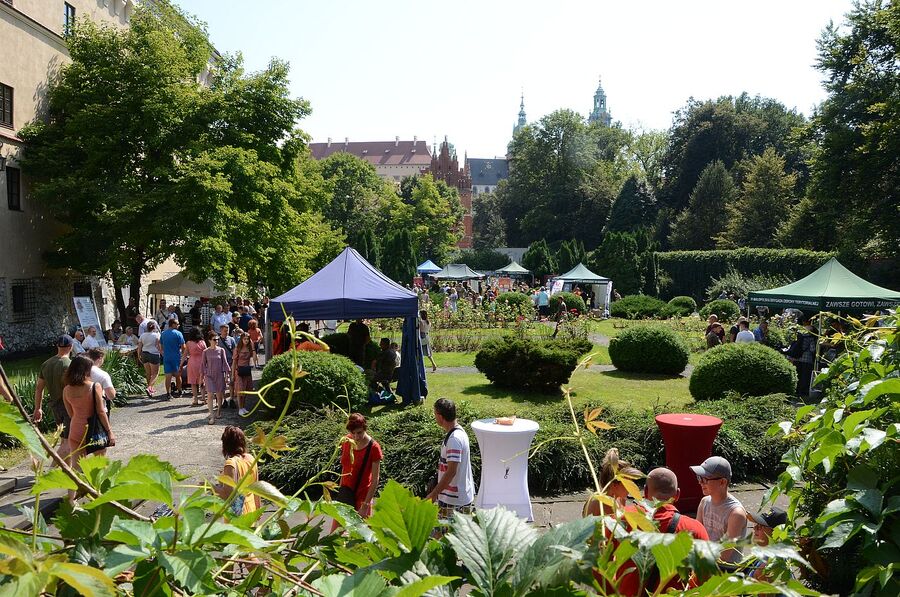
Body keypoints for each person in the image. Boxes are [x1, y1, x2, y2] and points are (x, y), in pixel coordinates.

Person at [63, 355, 116, 501]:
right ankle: (102, 494)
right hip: (94, 429)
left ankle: (70, 500)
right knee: (100, 463)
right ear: (86, 371)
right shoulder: (94, 386)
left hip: (76, 427)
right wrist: (109, 431)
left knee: (76, 466)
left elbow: (70, 413)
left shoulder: (67, 389)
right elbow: (100, 411)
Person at [426, 398, 475, 520]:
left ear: (440, 416)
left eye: (435, 414)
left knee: (447, 536)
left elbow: (451, 471)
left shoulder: (454, 439)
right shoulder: (459, 433)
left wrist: (433, 494)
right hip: (455, 498)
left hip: (453, 501)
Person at [691, 456, 747, 562]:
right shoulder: (704, 502)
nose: (700, 482)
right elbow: (696, 536)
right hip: (704, 561)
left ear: (722, 482)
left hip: (726, 570)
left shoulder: (735, 513)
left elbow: (724, 556)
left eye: (705, 479)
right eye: (699, 477)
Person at [34, 336, 74, 463]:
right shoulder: (69, 364)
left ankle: (67, 469)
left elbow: (39, 389)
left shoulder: (46, 364)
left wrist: (38, 408)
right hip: (68, 406)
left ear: (57, 346)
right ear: (71, 347)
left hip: (55, 406)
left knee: (63, 438)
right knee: (68, 441)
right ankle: (53, 470)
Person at [338, 413, 383, 518]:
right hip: (346, 493)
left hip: (363, 496)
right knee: (336, 532)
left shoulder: (374, 447)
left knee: (361, 532)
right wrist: (340, 491)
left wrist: (365, 505)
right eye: (353, 433)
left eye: (359, 433)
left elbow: (375, 480)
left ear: (365, 428)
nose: (356, 437)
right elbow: (344, 467)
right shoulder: (346, 441)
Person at [583, 448, 644, 516]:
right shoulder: (604, 503)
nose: (631, 486)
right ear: (614, 485)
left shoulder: (620, 498)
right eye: (627, 482)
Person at [214, 426, 260, 515]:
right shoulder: (251, 458)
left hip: (238, 515)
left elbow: (228, 496)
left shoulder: (230, 464)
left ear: (226, 444)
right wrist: (258, 510)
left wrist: (209, 487)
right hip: (252, 510)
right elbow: (256, 486)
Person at [747, 507, 789, 581]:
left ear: (775, 532)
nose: (754, 528)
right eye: (756, 524)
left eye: (760, 526)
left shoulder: (766, 568)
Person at [202, 332, 230, 425]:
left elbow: (225, 364)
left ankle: (218, 411)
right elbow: (203, 365)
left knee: (219, 395)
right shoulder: (205, 351)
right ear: (209, 340)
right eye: (214, 339)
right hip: (209, 375)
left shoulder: (221, 350)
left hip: (219, 375)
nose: (216, 341)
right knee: (210, 394)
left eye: (217, 339)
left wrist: (227, 376)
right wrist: (202, 377)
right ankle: (212, 415)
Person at [160, 319, 186, 399]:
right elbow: (183, 346)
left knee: (168, 376)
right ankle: (179, 391)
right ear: (173, 324)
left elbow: (161, 345)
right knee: (178, 375)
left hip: (167, 357)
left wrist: (163, 353)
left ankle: (168, 393)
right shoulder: (178, 333)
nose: (178, 325)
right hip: (176, 357)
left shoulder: (163, 333)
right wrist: (183, 354)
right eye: (177, 324)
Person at [136, 320, 162, 398]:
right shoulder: (157, 335)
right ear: (154, 327)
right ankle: (149, 387)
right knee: (155, 373)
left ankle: (150, 389)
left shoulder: (142, 335)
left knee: (148, 373)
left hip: (145, 354)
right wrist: (162, 353)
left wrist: (138, 355)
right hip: (154, 354)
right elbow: (158, 346)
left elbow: (139, 346)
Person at [232, 332, 255, 416]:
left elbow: (255, 359)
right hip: (239, 371)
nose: (246, 340)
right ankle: (240, 408)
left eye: (248, 339)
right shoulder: (237, 349)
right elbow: (234, 362)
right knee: (239, 390)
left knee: (245, 390)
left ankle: (243, 407)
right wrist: (232, 375)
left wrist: (253, 348)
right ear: (241, 339)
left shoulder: (249, 348)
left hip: (247, 370)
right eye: (245, 339)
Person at [185, 327, 207, 407]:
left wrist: (180, 365)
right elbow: (206, 353)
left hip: (192, 362)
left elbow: (184, 355)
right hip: (201, 362)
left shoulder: (188, 343)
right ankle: (203, 398)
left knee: (193, 382)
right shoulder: (203, 342)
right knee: (202, 381)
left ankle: (195, 399)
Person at [218, 325, 237, 403]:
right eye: (225, 330)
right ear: (221, 331)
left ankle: (231, 399)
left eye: (228, 330)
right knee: (222, 383)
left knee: (231, 382)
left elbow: (234, 350)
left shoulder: (231, 339)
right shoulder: (217, 340)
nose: (227, 332)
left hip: (230, 363)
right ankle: (224, 400)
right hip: (220, 364)